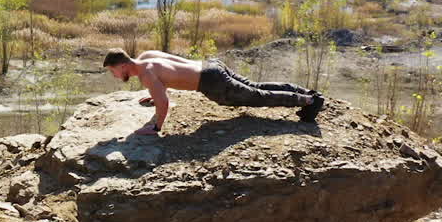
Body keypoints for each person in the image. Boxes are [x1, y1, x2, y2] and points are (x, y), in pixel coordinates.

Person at [102, 49, 324, 135]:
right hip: (211, 66)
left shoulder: (146, 75)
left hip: (212, 83)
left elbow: (164, 104)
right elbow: (173, 68)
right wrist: (156, 91)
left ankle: (308, 100)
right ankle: (306, 93)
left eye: (113, 72)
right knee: (256, 87)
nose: (114, 76)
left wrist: (155, 127)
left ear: (122, 66)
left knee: (257, 97)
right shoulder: (146, 56)